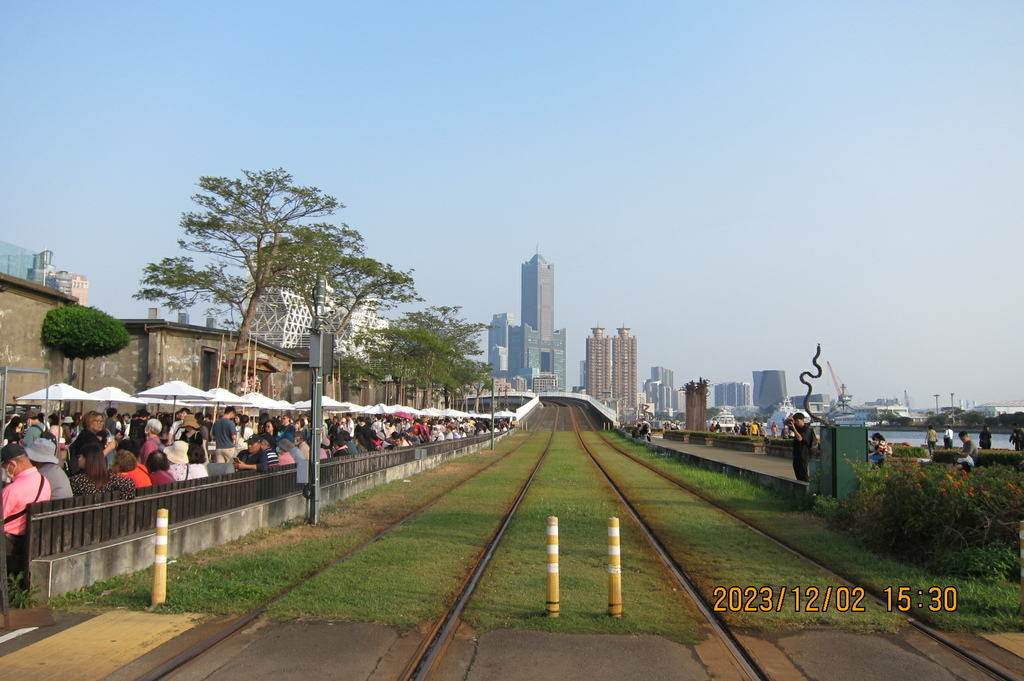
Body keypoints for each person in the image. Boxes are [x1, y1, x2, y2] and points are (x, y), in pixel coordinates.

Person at [3, 442, 53, 561]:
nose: (5, 472)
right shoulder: (44, 482)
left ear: (12, 464)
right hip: (30, 541)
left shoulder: (12, 490)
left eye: (4, 468)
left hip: (7, 545)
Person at [69, 443, 136, 500]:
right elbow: (129, 483)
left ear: (87, 459)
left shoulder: (76, 481)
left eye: (79, 456)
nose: (78, 459)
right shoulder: (112, 480)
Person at [67, 411, 115, 476]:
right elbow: (95, 457)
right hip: (89, 475)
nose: (101, 424)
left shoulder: (87, 434)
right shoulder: (89, 436)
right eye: (98, 421)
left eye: (102, 421)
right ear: (89, 422)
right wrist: (109, 448)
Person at [786, 413, 815, 483]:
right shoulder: (797, 426)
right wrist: (789, 419)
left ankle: (806, 488)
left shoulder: (807, 428)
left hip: (804, 454)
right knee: (797, 471)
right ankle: (800, 488)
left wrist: (794, 429)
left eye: (797, 421)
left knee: (803, 473)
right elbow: (785, 423)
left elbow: (800, 438)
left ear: (802, 420)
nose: (796, 422)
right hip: (796, 453)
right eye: (795, 421)